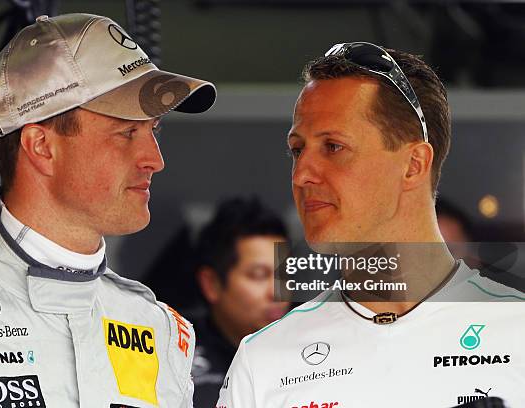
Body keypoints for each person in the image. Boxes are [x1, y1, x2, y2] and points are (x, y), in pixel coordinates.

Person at [0, 13, 215, 408]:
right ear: (41, 146)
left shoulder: (159, 328)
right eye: (126, 132)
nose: (154, 160)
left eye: (152, 130)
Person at [217, 42, 524, 407]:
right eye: (298, 150)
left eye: (333, 147)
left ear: (413, 164)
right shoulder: (263, 359)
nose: (301, 175)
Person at [191, 197, 290, 407]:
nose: (277, 291)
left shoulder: (312, 351)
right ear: (212, 284)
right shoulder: (176, 359)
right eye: (258, 275)